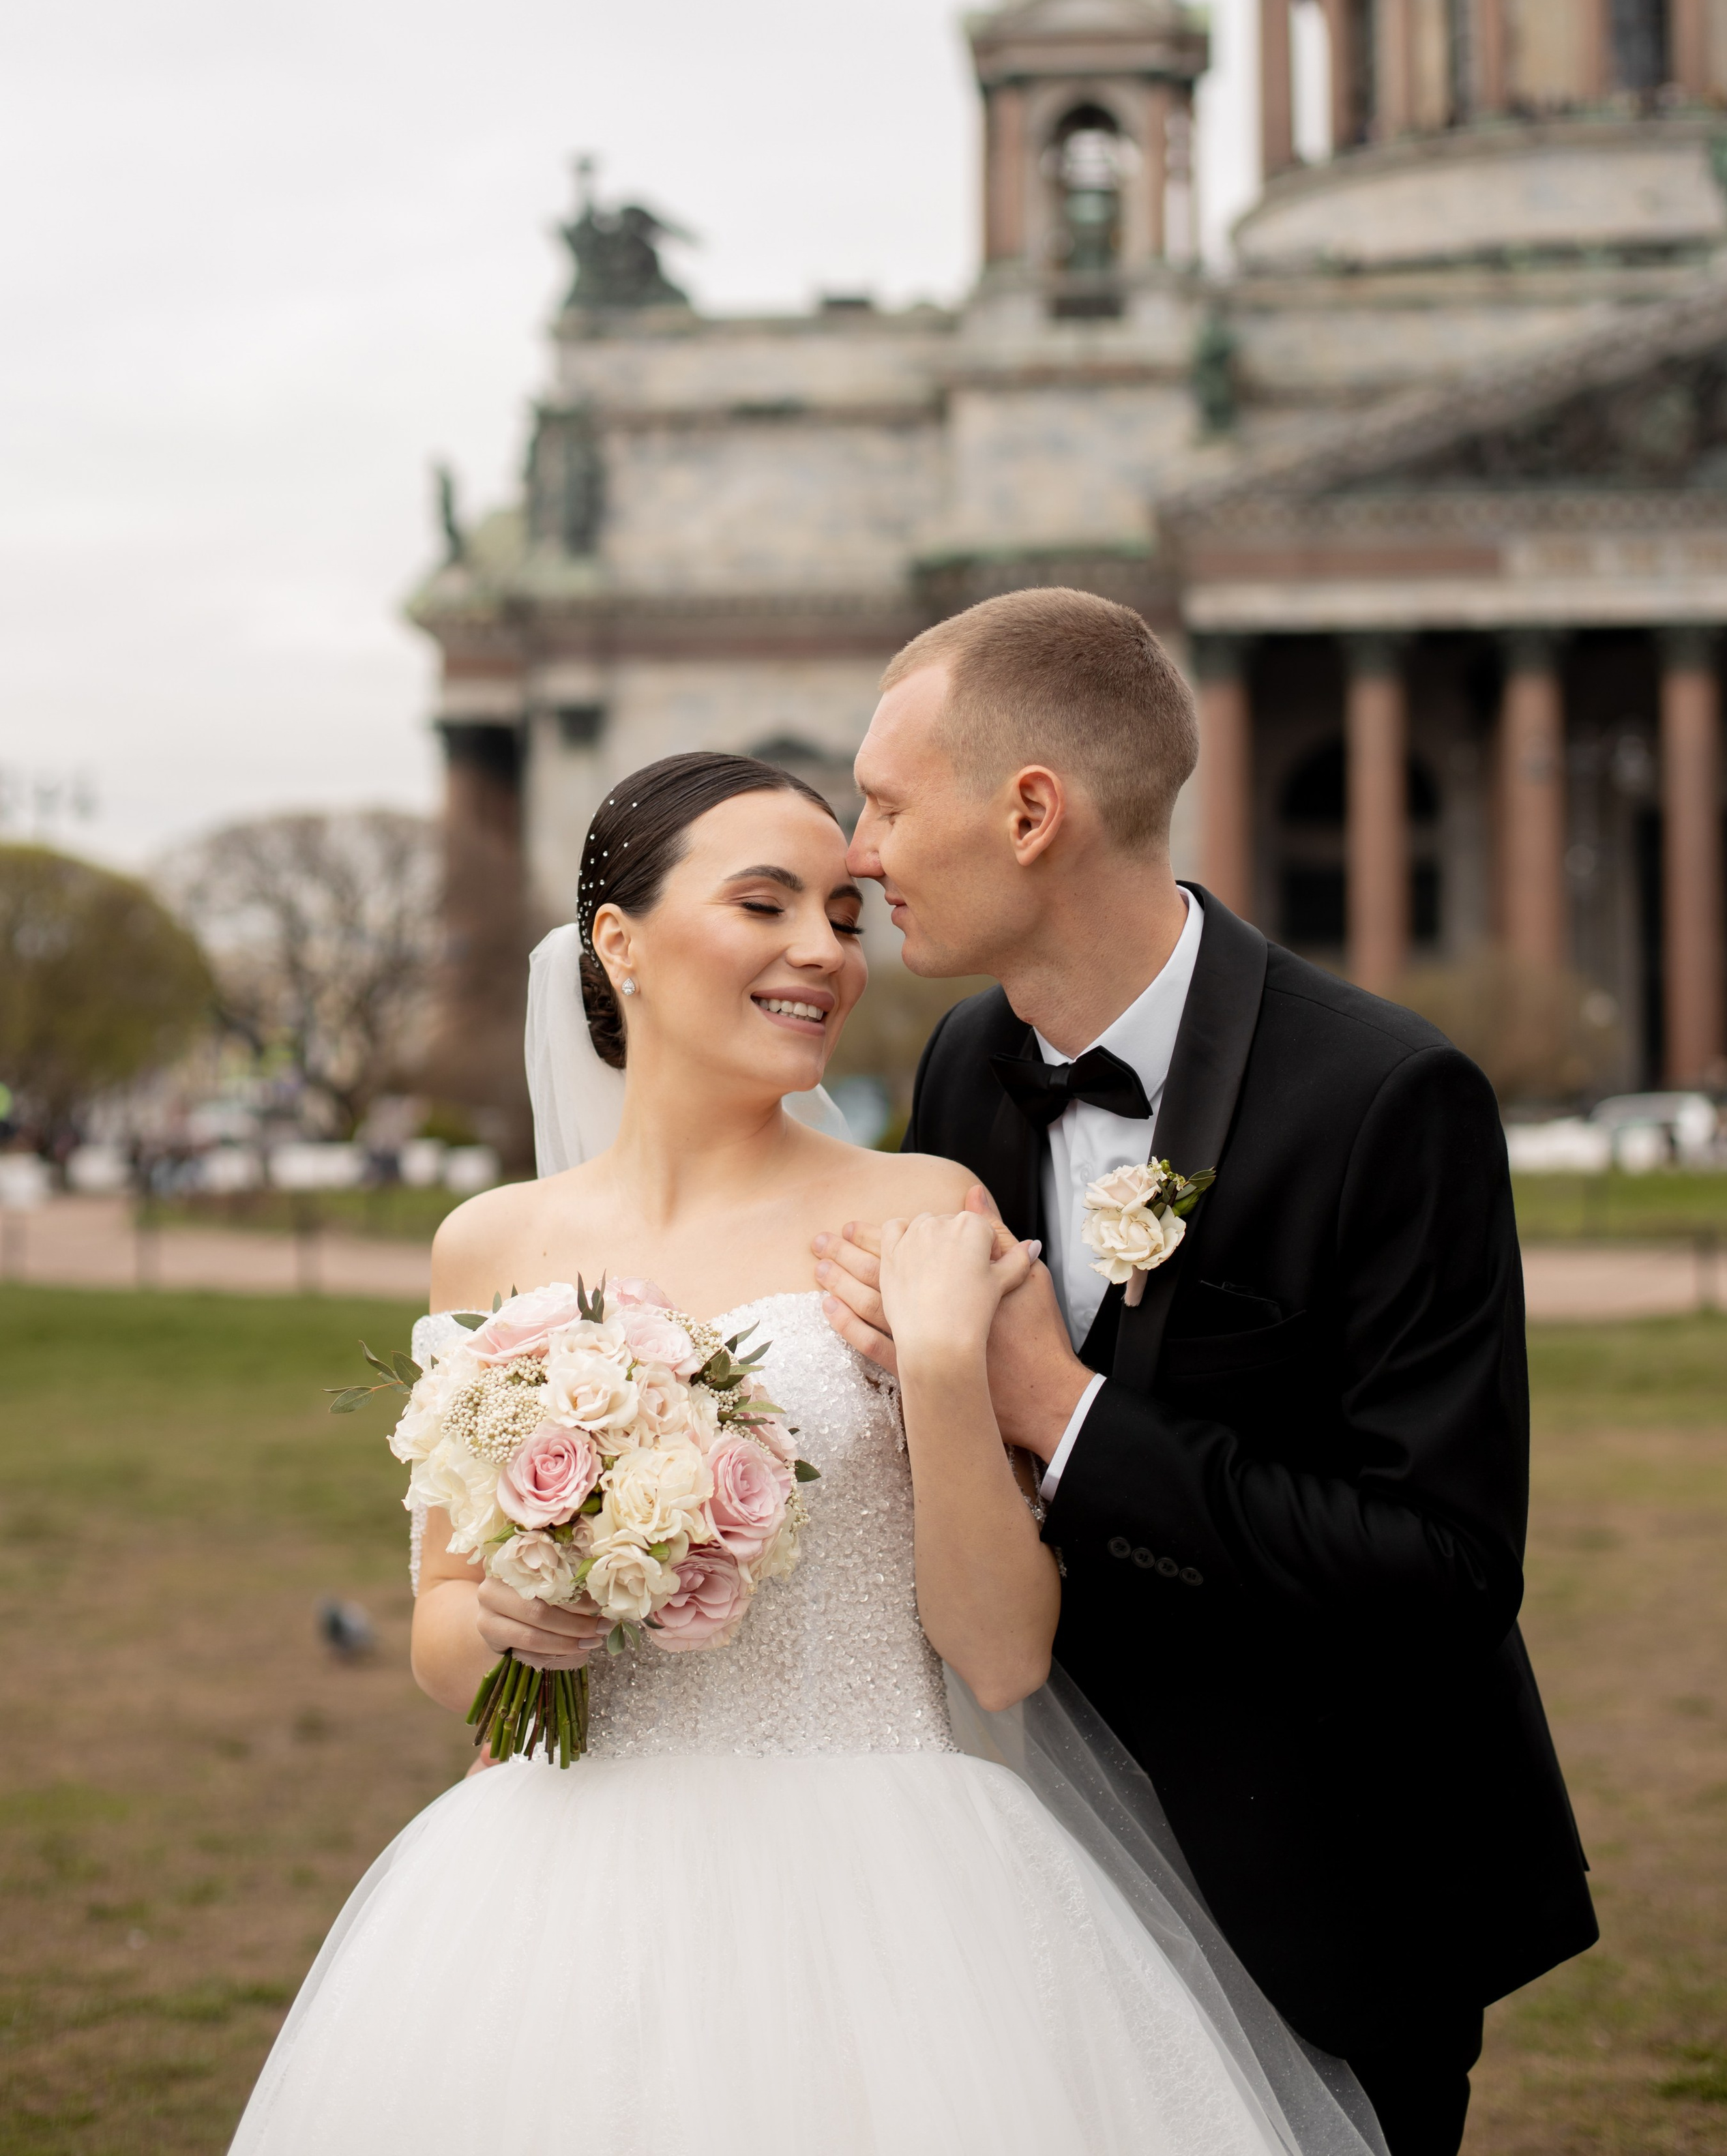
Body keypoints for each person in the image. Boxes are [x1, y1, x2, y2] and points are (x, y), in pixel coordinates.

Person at [228, 750, 1380, 2156]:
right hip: (556, 1892)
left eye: (842, 913)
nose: (820, 954)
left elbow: (1004, 1655)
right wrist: (513, 1622)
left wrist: (949, 1365)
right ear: (619, 944)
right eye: (765, 905)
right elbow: (439, 1636)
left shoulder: (920, 1209)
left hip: (893, 1890)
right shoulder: (492, 1245)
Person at [817, 589, 1598, 2156]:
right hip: (1044, 1870)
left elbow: (1442, 1566)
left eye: (887, 803)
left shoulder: (1388, 1099)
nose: (856, 850)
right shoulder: (963, 1067)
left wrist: (1064, 1410)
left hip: (1338, 1889)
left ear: (1030, 812)